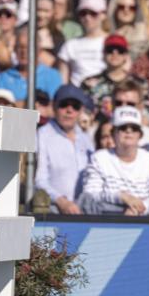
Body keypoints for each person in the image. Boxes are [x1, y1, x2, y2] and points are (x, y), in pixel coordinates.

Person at [80, 105, 149, 215]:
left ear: (140, 135)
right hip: (106, 222)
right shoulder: (98, 159)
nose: (129, 131)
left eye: (134, 128)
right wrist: (121, 197)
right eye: (123, 128)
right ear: (113, 133)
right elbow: (90, 196)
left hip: (146, 221)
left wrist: (137, 209)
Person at [34, 83, 94, 214]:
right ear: (54, 106)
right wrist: (62, 201)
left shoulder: (86, 138)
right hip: (54, 210)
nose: (69, 110)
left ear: (81, 110)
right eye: (64, 104)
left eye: (75, 106)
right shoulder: (41, 135)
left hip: (84, 211)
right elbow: (39, 180)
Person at [0, 24, 63, 103]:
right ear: (14, 49)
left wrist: (18, 104)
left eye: (29, 47)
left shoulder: (52, 76)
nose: (24, 52)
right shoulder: (3, 78)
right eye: (20, 47)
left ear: (39, 50)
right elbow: (0, 107)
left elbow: (54, 108)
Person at [57, 0, 108, 84]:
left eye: (93, 13)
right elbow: (62, 82)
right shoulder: (70, 45)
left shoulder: (112, 42)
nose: (87, 18)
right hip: (77, 95)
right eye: (83, 13)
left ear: (103, 14)